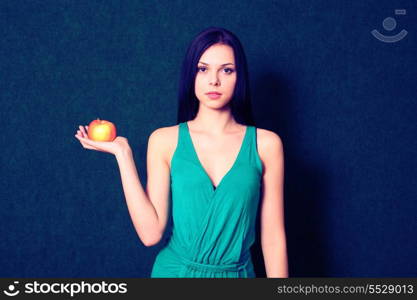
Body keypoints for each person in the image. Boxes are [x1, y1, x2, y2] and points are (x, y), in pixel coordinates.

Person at [74, 27, 288, 278]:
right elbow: (151, 234)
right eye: (203, 69)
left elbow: (273, 238)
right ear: (191, 75)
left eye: (227, 70)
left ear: (239, 77)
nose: (214, 80)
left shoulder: (266, 144)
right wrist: (123, 154)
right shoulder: (165, 140)